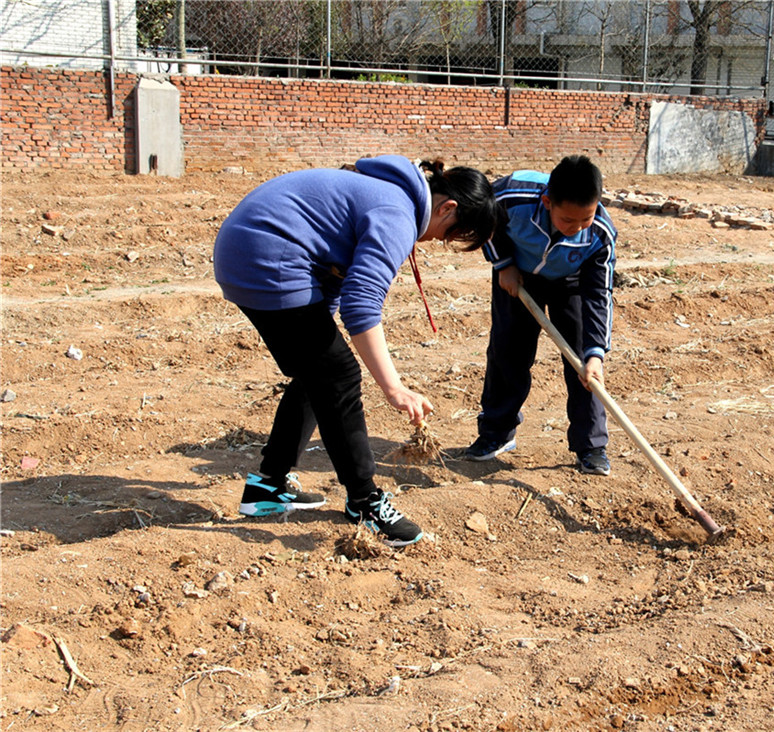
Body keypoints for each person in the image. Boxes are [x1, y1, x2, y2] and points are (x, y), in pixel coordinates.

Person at [213, 155, 497, 547]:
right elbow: (361, 304)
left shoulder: (388, 194)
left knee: (319, 368)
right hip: (265, 257)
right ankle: (364, 500)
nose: (435, 241)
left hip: (249, 250)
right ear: (447, 207)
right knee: (338, 374)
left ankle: (268, 486)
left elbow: (332, 269)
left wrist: (324, 330)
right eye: (449, 234)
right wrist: (394, 388)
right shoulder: (396, 213)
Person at [465, 155, 617, 475]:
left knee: (582, 364)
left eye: (585, 219)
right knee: (508, 351)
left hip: (572, 282)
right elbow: (485, 220)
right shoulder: (510, 196)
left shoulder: (600, 234)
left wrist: (596, 354)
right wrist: (502, 264)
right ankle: (496, 433)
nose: (577, 229)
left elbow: (599, 295)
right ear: (547, 202)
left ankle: (591, 446)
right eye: (568, 221)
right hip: (517, 274)